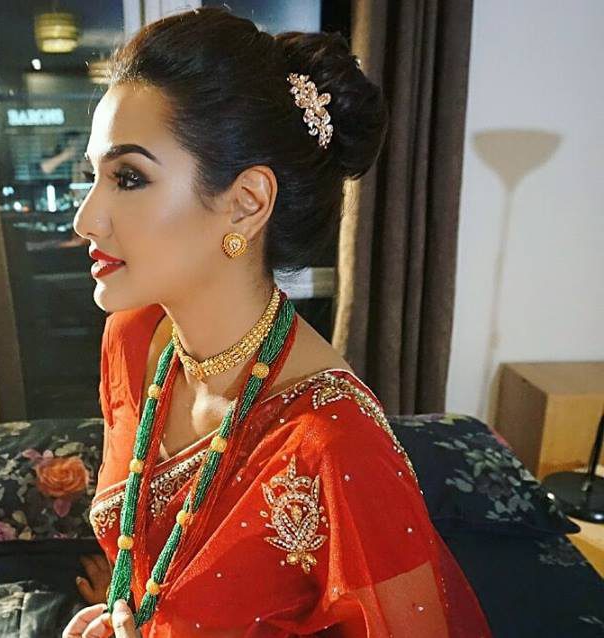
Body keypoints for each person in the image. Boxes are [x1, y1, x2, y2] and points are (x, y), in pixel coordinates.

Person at [65, 7, 492, 637]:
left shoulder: (333, 445)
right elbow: (149, 558)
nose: (85, 219)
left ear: (246, 203)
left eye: (128, 178)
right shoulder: (133, 340)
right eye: (92, 176)